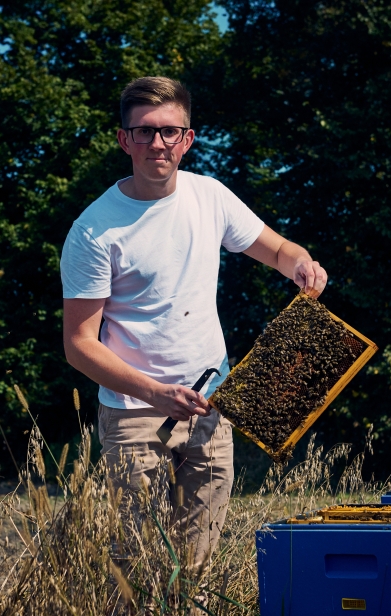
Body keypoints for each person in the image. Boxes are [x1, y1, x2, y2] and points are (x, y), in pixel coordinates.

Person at [61, 76, 326, 571]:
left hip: (210, 407)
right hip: (134, 417)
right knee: (141, 571)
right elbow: (79, 345)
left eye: (169, 131)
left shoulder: (211, 197)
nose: (156, 143)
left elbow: (278, 249)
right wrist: (154, 392)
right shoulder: (94, 231)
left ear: (188, 139)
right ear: (124, 140)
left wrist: (301, 265)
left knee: (197, 571)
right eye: (143, 132)